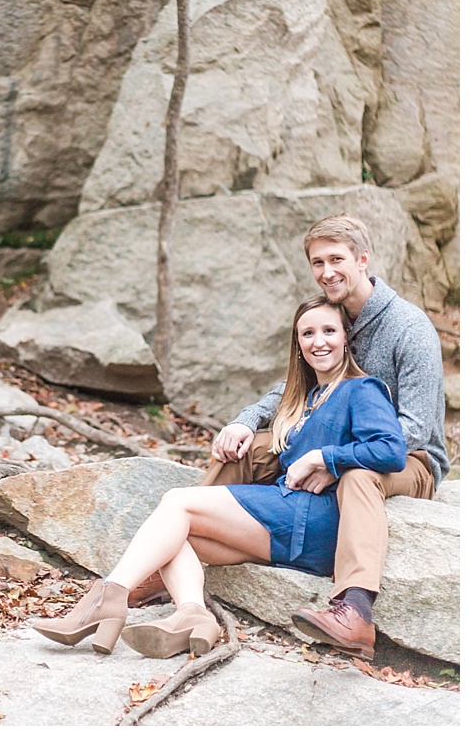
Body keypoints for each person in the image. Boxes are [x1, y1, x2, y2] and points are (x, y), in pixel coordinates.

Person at [28, 296, 406, 658]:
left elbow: (391, 450)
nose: (318, 341)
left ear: (346, 339)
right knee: (175, 539)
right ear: (298, 343)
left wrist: (326, 457)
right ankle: (193, 616)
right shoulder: (305, 398)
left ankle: (107, 598)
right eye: (308, 334)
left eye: (329, 331)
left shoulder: (362, 389)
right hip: (293, 526)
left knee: (177, 502)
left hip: (317, 518)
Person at [172, 215, 447, 658]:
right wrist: (246, 420)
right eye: (317, 262)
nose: (327, 271)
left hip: (410, 459)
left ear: (363, 260)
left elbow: (413, 427)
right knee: (250, 447)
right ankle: (177, 542)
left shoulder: (409, 329)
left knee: (358, 477)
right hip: (340, 441)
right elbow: (296, 387)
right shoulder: (332, 315)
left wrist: (333, 459)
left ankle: (355, 609)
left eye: (336, 259)